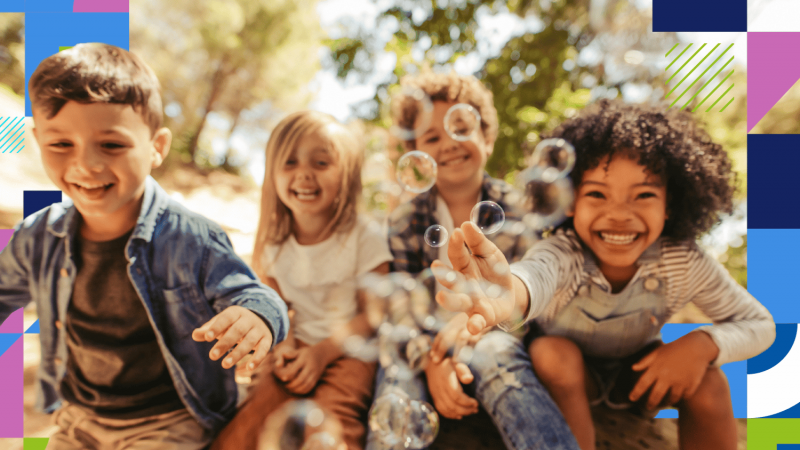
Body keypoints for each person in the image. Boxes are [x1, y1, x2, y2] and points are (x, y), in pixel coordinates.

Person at [432, 99, 775, 450]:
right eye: (597, 193)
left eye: (643, 195)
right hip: (567, 373)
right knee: (553, 351)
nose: (619, 214)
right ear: (568, 201)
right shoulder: (565, 251)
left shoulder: (682, 261)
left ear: (670, 204)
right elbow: (534, 275)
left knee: (710, 380)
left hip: (640, 375)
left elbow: (760, 324)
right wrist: (508, 292)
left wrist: (702, 345)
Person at [0, 43, 289, 449]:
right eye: (61, 145)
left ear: (157, 147)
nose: (86, 165)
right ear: (36, 140)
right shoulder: (39, 235)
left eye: (112, 145)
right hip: (81, 418)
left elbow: (258, 296)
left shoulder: (192, 237)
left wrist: (256, 317)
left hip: (168, 421)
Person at [370, 71, 580, 450]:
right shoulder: (405, 221)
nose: (449, 143)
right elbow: (399, 307)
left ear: (486, 136)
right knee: (396, 383)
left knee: (501, 363)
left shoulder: (515, 209)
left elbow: (519, 299)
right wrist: (433, 360)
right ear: (415, 154)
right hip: (422, 343)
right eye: (432, 138)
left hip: (490, 336)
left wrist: (466, 343)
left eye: (462, 128)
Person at [211, 110, 393, 450]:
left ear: (347, 175)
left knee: (332, 420)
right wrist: (287, 345)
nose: (304, 175)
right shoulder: (275, 245)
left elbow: (373, 314)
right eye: (289, 163)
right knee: (253, 419)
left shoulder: (363, 235)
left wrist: (323, 353)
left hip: (350, 352)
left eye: (321, 163)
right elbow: (277, 306)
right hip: (297, 349)